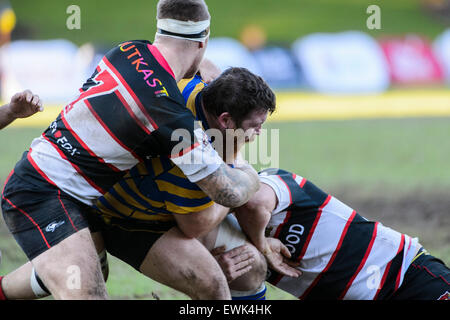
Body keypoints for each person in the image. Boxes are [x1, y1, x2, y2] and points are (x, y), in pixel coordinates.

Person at [0, 0, 261, 300]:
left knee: (210, 283)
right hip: (43, 192)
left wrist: (201, 60)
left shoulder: (126, 51)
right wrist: (247, 172)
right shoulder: (169, 115)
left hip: (98, 198)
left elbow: (162, 65)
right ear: (203, 41)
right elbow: (225, 192)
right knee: (88, 291)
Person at [214, 168, 450, 300]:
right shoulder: (222, 234)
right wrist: (216, 270)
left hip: (401, 274)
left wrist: (261, 245)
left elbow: (253, 202)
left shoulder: (274, 182)